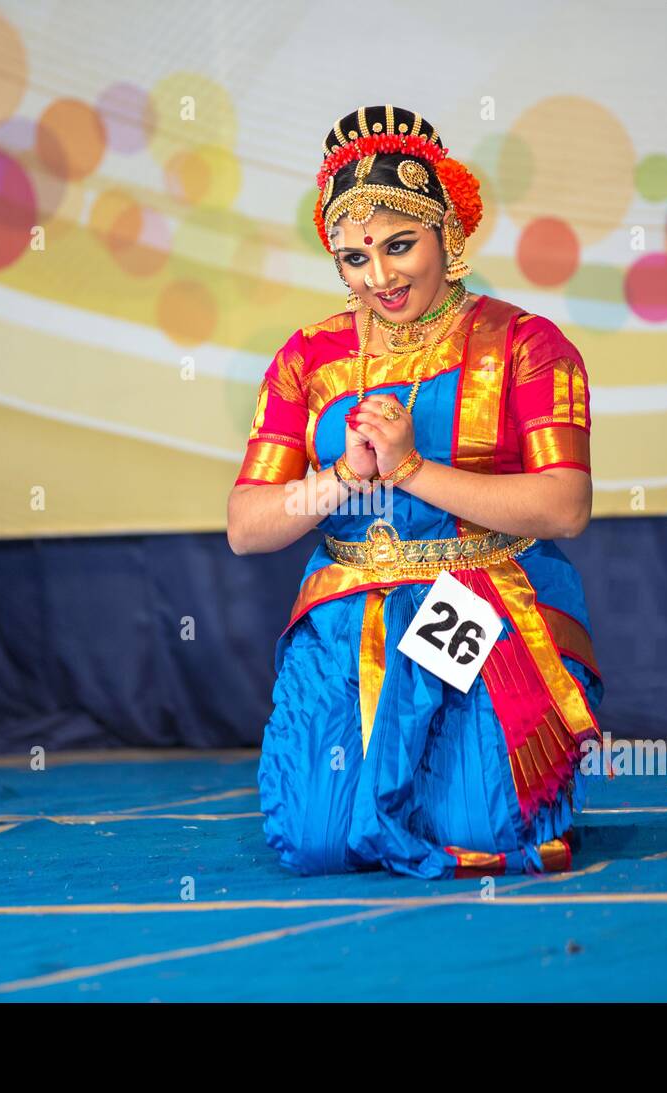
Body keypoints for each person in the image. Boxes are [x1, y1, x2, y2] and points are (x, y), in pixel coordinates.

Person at [227, 104, 604, 880]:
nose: (380, 277)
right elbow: (247, 527)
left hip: (481, 596)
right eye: (354, 259)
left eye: (400, 247)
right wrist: (342, 477)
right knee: (318, 843)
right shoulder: (308, 357)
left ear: (450, 236)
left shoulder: (526, 344)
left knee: (479, 830)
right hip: (349, 606)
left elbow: (566, 506)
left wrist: (410, 470)